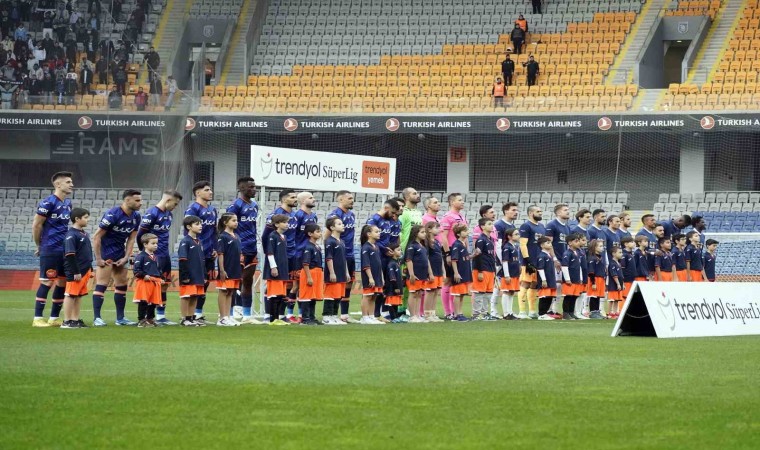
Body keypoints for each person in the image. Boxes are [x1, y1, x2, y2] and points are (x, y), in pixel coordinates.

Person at [92, 189, 142, 326]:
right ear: (127, 200)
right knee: (102, 285)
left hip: (120, 254)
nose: (140, 203)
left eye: (140, 200)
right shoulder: (112, 214)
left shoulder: (136, 217)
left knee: (122, 285)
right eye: (137, 200)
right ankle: (97, 318)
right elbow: (97, 237)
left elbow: (132, 239)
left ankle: (120, 318)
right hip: (106, 253)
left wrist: (126, 256)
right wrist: (98, 258)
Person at [32, 171, 74, 328]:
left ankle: (54, 317)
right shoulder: (48, 202)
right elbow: (37, 225)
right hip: (50, 248)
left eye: (71, 182)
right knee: (47, 282)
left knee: (62, 282)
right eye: (68, 182)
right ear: (58, 184)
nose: (72, 184)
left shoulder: (67, 203)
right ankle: (37, 318)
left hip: (64, 249)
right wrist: (39, 245)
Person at [137, 189, 182, 325]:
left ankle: (160, 316)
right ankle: (145, 317)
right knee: (151, 286)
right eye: (175, 203)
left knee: (164, 285)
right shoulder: (152, 213)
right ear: (168, 200)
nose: (175, 207)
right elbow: (141, 235)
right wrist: (144, 253)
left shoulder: (169, 215)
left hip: (164, 254)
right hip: (153, 257)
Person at [225, 177, 260, 324]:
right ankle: (232, 313)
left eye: (254, 187)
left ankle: (246, 315)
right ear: (241, 189)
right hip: (239, 248)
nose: (254, 189)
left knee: (248, 280)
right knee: (235, 281)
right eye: (250, 187)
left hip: (252, 247)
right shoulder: (235, 206)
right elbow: (226, 227)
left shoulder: (254, 205)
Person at [183, 181, 217, 323]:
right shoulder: (193, 209)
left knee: (205, 283)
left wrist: (215, 247)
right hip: (197, 253)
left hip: (209, 252)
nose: (211, 192)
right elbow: (188, 230)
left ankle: (198, 313)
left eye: (211, 189)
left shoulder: (213, 210)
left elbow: (215, 231)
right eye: (207, 190)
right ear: (198, 193)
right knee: (194, 283)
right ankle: (187, 316)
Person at [262, 189, 298, 321]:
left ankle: (281, 315)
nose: (296, 199)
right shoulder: (275, 215)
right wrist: (271, 258)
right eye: (293, 197)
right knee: (273, 286)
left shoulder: (294, 215)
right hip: (276, 257)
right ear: (284, 199)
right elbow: (265, 237)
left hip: (290, 255)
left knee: (287, 285)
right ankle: (269, 315)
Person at [366, 199, 399, 321]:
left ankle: (377, 314)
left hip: (385, 256)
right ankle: (370, 314)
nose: (393, 215)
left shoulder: (388, 221)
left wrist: (389, 250)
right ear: (386, 209)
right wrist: (384, 249)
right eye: (392, 213)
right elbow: (368, 240)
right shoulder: (373, 220)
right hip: (376, 256)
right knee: (373, 288)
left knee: (382, 286)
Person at [327, 190, 357, 323]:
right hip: (340, 255)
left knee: (348, 284)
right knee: (336, 285)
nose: (352, 200)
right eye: (349, 198)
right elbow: (327, 235)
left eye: (352, 198)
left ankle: (344, 314)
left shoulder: (351, 215)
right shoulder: (335, 215)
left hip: (350, 253)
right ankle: (331, 315)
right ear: (340, 200)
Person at [61, 207, 92, 329]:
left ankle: (75, 319)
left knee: (79, 295)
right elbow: (70, 255)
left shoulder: (83, 233)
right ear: (77, 219)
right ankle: (66, 321)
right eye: (85, 217)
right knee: (70, 294)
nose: (87, 220)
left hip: (85, 270)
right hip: (76, 271)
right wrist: (76, 271)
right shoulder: (71, 235)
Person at [290, 191, 318, 321]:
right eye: (310, 198)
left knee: (306, 286)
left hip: (310, 254)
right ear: (302, 201)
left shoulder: (314, 216)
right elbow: (293, 235)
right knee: (296, 285)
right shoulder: (297, 216)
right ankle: (289, 313)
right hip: (299, 254)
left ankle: (303, 314)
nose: (314, 199)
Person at [439, 193, 467, 320]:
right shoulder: (448, 217)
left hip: (461, 252)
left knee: (456, 281)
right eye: (459, 200)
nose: (462, 202)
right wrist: (447, 253)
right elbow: (443, 236)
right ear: (452, 202)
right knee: (449, 280)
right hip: (450, 250)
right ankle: (448, 312)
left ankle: (455, 311)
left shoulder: (461, 216)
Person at [472, 204, 502, 319]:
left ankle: (484, 314)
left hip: (490, 269)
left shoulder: (490, 240)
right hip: (482, 269)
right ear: (482, 227)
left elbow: (491, 255)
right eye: (489, 224)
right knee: (479, 293)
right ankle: (476, 314)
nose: (492, 226)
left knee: (488, 293)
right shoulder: (481, 240)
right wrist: (479, 271)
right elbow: (478, 256)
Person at [518, 205, 546, 319]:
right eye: (538, 211)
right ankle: (522, 311)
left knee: (534, 285)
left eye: (541, 211)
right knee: (525, 283)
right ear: (530, 213)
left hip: (538, 260)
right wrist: (527, 260)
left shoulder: (542, 226)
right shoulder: (526, 226)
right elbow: (523, 244)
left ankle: (532, 311)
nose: (540, 213)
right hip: (529, 261)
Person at [178, 216, 206, 327]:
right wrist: (185, 275)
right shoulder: (185, 241)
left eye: (200, 224)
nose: (200, 226)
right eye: (197, 224)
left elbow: (202, 260)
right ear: (189, 227)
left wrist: (204, 274)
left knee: (194, 296)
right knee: (186, 296)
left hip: (198, 274)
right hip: (189, 275)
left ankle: (190, 317)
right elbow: (182, 259)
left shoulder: (199, 241)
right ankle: (184, 318)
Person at [215, 213, 242, 327]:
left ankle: (228, 316)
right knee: (224, 291)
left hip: (235, 268)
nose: (236, 222)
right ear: (225, 222)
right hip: (227, 268)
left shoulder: (236, 236)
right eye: (233, 220)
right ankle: (222, 318)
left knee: (231, 292)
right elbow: (221, 254)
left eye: (236, 220)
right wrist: (222, 270)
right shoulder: (223, 236)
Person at [264, 214, 291, 326]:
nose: (286, 224)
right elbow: (270, 253)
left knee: (280, 295)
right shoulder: (272, 236)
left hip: (283, 270)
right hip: (276, 270)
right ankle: (272, 319)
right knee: (274, 295)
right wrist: (273, 267)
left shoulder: (283, 237)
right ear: (276, 224)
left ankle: (278, 317)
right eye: (284, 222)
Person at [545, 203, 572, 319]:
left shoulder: (567, 227)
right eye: (565, 210)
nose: (568, 212)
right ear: (558, 213)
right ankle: (549, 310)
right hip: (555, 260)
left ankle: (555, 310)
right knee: (554, 285)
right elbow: (548, 244)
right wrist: (554, 259)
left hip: (564, 261)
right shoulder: (552, 225)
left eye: (568, 210)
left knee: (560, 287)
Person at [132, 233, 164, 328]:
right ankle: (141, 320)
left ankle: (150, 319)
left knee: (153, 302)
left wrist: (161, 278)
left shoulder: (156, 257)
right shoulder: (141, 256)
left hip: (155, 282)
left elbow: (158, 270)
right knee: (143, 301)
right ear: (145, 244)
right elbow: (136, 271)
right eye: (153, 243)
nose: (155, 245)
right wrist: (143, 276)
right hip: (145, 282)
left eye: (156, 243)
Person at [323, 217, 349, 326]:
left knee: (338, 296)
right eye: (339, 224)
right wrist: (332, 272)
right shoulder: (330, 241)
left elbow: (344, 259)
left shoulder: (342, 242)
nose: (342, 225)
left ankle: (334, 315)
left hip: (341, 273)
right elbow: (329, 258)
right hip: (333, 273)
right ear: (332, 227)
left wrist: (346, 272)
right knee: (330, 295)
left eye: (342, 223)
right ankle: (326, 316)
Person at [299, 223, 324, 325]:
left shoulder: (316, 246)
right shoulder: (308, 247)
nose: (320, 234)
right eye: (317, 232)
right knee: (307, 295)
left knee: (313, 296)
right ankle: (305, 318)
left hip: (317, 272)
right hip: (310, 272)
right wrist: (309, 276)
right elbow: (305, 263)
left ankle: (312, 317)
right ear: (310, 233)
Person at [359, 224, 384, 325]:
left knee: (374, 296)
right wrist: (370, 278)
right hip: (369, 276)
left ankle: (371, 316)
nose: (379, 233)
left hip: (377, 275)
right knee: (367, 295)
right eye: (376, 232)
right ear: (369, 234)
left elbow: (379, 263)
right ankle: (364, 317)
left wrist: (381, 276)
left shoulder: (376, 247)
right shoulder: (366, 247)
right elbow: (366, 264)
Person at [405, 224, 430, 323]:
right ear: (416, 234)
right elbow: (409, 260)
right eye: (422, 232)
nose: (424, 234)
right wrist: (411, 274)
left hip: (422, 274)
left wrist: (428, 273)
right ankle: (412, 316)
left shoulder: (422, 246)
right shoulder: (412, 246)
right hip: (414, 274)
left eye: (425, 232)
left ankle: (417, 314)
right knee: (413, 293)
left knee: (419, 294)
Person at [449, 223, 472, 321]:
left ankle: (460, 312)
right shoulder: (456, 245)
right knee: (457, 294)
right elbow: (454, 260)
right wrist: (456, 273)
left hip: (465, 272)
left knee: (462, 294)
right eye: (465, 231)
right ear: (458, 234)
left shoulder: (463, 244)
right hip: (459, 273)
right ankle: (456, 314)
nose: (467, 233)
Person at [423, 221, 445, 322]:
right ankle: (427, 314)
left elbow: (440, 257)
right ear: (429, 229)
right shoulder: (426, 242)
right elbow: (426, 258)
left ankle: (433, 312)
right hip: (432, 270)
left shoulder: (436, 241)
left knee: (436, 291)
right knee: (430, 291)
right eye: (436, 228)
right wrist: (430, 272)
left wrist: (443, 271)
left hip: (438, 270)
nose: (439, 230)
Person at [560, 233, 583, 320]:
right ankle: (565, 314)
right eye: (576, 241)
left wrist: (580, 278)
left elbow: (579, 266)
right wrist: (567, 279)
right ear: (570, 243)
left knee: (574, 296)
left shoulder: (577, 253)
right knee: (568, 296)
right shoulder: (567, 253)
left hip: (576, 279)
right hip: (570, 280)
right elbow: (565, 267)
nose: (578, 243)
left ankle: (571, 313)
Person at [499, 228, 521, 320]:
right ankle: (506, 313)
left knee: (511, 292)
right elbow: (505, 261)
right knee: (506, 291)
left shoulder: (514, 246)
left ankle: (510, 312)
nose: (518, 235)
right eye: (516, 234)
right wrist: (507, 275)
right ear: (509, 236)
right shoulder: (507, 247)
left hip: (514, 273)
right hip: (508, 274)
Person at [536, 237, 557, 320]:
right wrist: (543, 280)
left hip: (550, 280)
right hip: (545, 280)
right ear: (542, 245)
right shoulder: (541, 256)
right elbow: (540, 268)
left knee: (549, 297)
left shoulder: (549, 255)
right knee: (544, 297)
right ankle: (541, 314)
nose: (550, 244)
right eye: (547, 243)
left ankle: (545, 313)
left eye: (550, 242)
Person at [383, 243, 404, 322]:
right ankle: (393, 318)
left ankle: (396, 317)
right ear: (392, 252)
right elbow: (392, 277)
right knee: (391, 303)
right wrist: (396, 287)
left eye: (401, 250)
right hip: (392, 288)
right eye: (398, 250)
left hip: (397, 287)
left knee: (396, 303)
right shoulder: (391, 264)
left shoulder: (397, 262)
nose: (400, 251)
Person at [586, 239, 606, 319]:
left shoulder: (600, 257)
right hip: (595, 279)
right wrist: (593, 282)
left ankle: (597, 311)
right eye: (600, 246)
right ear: (594, 247)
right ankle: (592, 312)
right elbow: (591, 271)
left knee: (598, 296)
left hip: (601, 278)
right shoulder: (592, 258)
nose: (602, 248)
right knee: (594, 296)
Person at [399, 187, 422, 251]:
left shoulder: (418, 212)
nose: (418, 195)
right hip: (405, 247)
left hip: (416, 247)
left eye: (417, 193)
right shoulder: (402, 212)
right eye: (414, 194)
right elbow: (399, 231)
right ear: (407, 197)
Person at [606, 248, 624, 319]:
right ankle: (609, 312)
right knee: (612, 299)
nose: (621, 254)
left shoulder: (618, 263)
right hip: (613, 285)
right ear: (613, 253)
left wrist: (622, 284)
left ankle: (615, 312)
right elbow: (614, 275)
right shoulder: (612, 263)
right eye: (619, 252)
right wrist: (618, 283)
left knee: (617, 299)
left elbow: (621, 275)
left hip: (619, 284)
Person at [619, 236, 637, 303]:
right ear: (626, 244)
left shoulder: (631, 254)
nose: (634, 243)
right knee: (625, 296)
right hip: (626, 280)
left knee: (630, 297)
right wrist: (622, 280)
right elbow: (622, 268)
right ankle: (621, 311)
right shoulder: (624, 254)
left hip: (631, 279)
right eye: (632, 242)